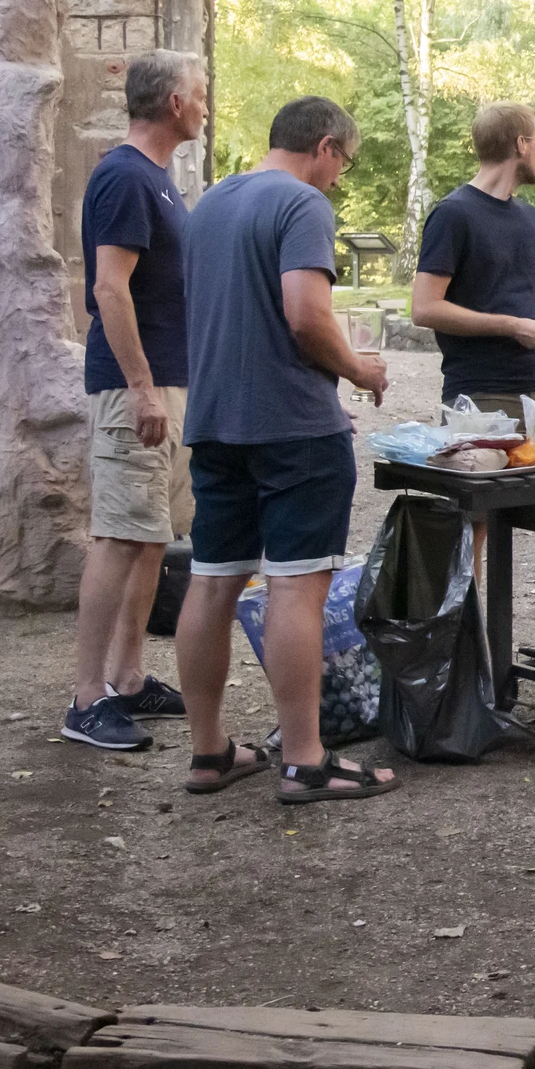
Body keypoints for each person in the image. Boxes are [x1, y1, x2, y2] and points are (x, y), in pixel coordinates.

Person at [173, 96, 398, 803]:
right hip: (294, 430)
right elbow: (306, 316)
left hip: (215, 422)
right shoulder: (302, 205)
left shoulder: (210, 204)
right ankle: (305, 759)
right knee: (298, 584)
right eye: (344, 164)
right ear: (324, 146)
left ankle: (208, 751)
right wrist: (360, 369)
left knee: (212, 581)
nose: (338, 178)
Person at [64, 50, 207, 750]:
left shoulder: (157, 179)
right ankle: (87, 696)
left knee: (151, 536)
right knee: (120, 535)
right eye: (200, 93)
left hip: (168, 382)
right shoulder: (123, 176)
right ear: (174, 102)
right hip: (133, 388)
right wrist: (144, 388)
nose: (206, 104)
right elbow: (108, 289)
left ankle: (127, 676)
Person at [411, 102, 535, 641]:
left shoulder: (533, 219)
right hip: (479, 393)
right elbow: (425, 308)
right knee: (474, 524)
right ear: (519, 144)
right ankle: (468, 661)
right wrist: (510, 325)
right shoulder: (453, 214)